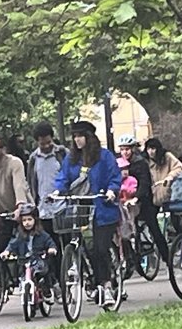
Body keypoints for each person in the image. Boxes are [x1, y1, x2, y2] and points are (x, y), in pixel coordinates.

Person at [54, 120, 122, 304]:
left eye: (80, 136)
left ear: (89, 137)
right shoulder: (71, 159)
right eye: (74, 136)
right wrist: (57, 191)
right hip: (81, 208)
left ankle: (107, 285)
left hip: (103, 209)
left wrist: (111, 190)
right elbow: (63, 178)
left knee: (100, 249)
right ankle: (93, 280)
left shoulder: (105, 156)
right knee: (86, 248)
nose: (76, 140)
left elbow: (114, 176)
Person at [117, 135, 172, 278]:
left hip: (144, 199)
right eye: (122, 150)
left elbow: (144, 183)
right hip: (125, 200)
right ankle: (128, 260)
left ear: (133, 149)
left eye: (127, 149)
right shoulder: (119, 164)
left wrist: (137, 197)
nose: (125, 152)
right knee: (124, 229)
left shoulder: (140, 163)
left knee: (153, 226)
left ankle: (167, 258)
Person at [1, 203, 57, 298]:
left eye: (29, 220)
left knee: (41, 272)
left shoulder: (41, 234)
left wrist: (52, 249)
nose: (27, 223)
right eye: (24, 220)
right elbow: (12, 244)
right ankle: (25, 292)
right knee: (21, 276)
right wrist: (7, 251)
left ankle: (46, 286)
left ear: (35, 220)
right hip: (24, 261)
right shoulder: (20, 235)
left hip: (38, 260)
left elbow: (49, 241)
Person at [27, 122, 68, 236]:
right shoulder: (34, 159)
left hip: (62, 207)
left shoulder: (62, 153)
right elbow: (31, 183)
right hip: (43, 209)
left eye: (49, 142)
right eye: (42, 143)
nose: (46, 146)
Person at [144, 137, 182, 208]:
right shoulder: (147, 162)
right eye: (148, 149)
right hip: (156, 200)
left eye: (153, 149)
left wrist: (170, 177)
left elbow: (179, 168)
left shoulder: (167, 157)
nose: (150, 151)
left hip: (171, 198)